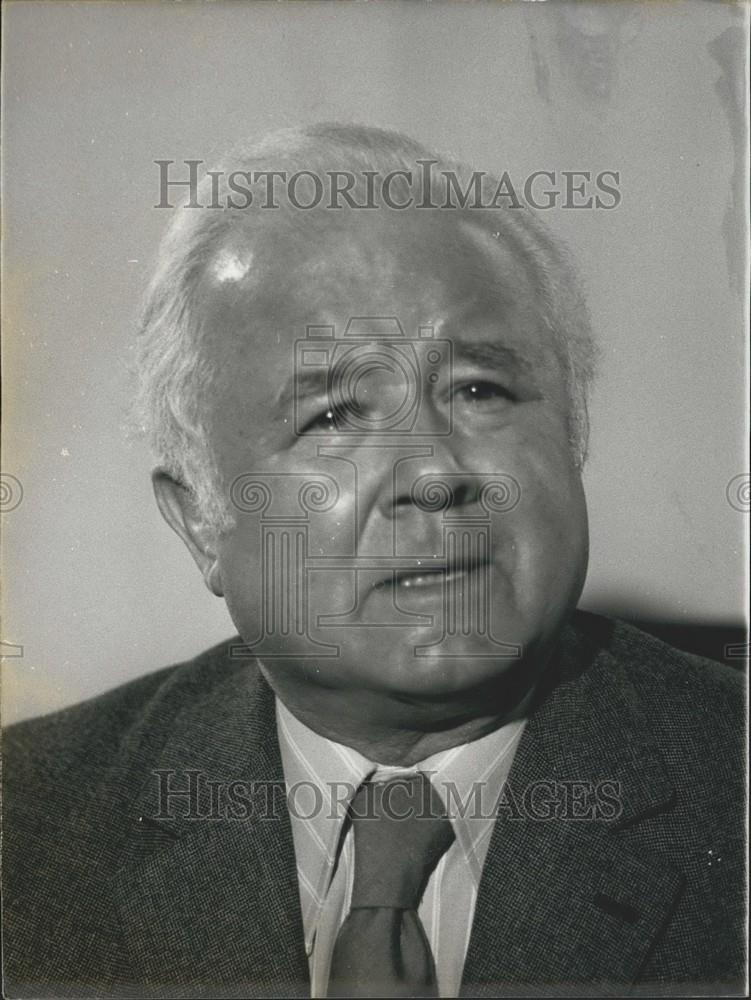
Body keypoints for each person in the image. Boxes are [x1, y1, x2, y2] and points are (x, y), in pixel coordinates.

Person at [3, 124, 745, 999]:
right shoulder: (29, 824)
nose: (433, 472)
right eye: (334, 417)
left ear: (572, 434)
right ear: (201, 519)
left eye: (479, 390)